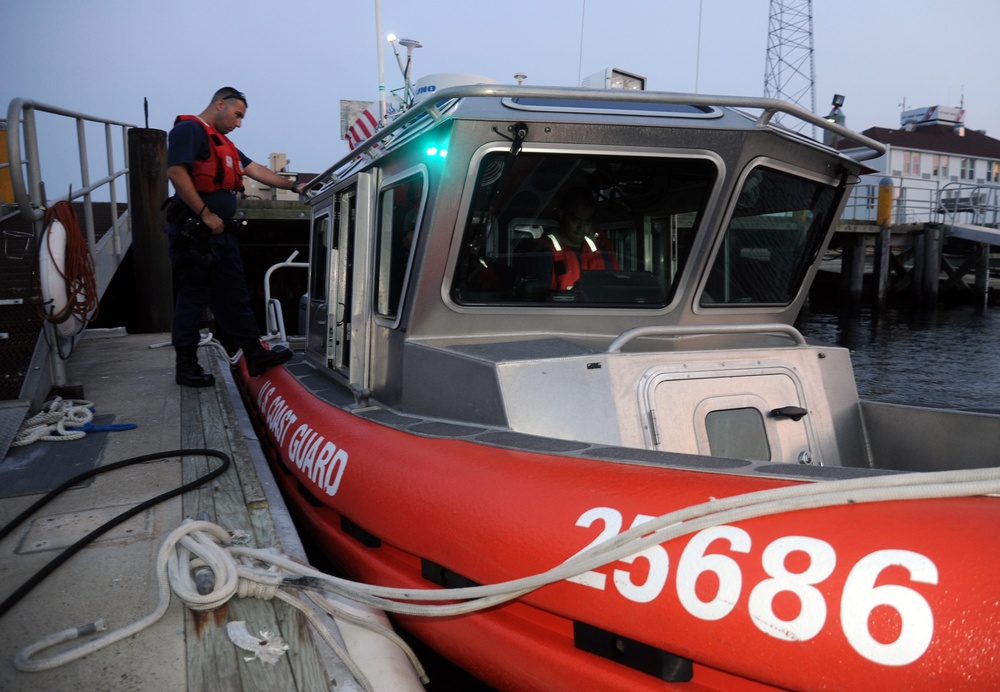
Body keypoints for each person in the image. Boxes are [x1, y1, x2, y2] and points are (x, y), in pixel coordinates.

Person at [165, 87, 302, 387]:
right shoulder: (189, 131)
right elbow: (176, 172)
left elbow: (254, 170)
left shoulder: (223, 144)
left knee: (235, 294)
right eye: (237, 115)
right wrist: (204, 213)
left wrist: (294, 187)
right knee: (194, 297)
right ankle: (186, 367)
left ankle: (254, 355)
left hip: (220, 234)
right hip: (196, 233)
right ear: (219, 105)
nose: (239, 123)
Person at [532, 186, 619, 291]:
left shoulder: (603, 253)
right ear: (561, 215)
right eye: (575, 220)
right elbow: (539, 302)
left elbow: (615, 289)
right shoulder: (543, 254)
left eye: (587, 221)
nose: (581, 228)